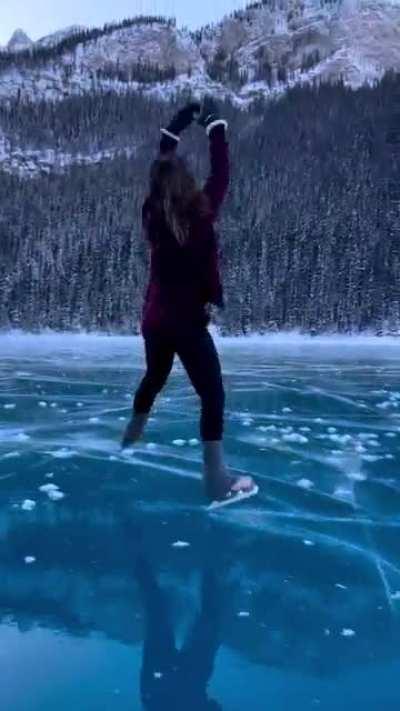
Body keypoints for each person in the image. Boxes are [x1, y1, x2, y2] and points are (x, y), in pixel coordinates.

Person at [122, 98, 256, 504]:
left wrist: (176, 127)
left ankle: (129, 441)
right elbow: (222, 173)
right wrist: (214, 126)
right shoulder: (201, 211)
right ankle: (216, 481)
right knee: (212, 395)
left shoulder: (153, 215)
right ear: (185, 183)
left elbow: (161, 164)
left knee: (154, 379)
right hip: (185, 322)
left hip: (155, 321)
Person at [134, 554, 223, 711]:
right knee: (158, 615)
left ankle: (213, 559)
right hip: (167, 689)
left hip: (173, 689)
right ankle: (212, 559)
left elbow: (214, 706)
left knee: (159, 615)